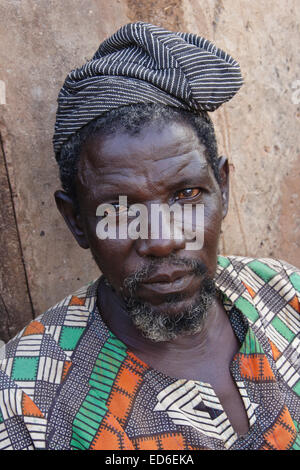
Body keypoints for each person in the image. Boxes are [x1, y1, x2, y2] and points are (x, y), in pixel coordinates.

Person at [0, 22, 299, 451]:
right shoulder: (27, 405)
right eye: (119, 209)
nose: (162, 241)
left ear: (224, 187)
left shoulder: (282, 291)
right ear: (76, 220)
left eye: (188, 194)